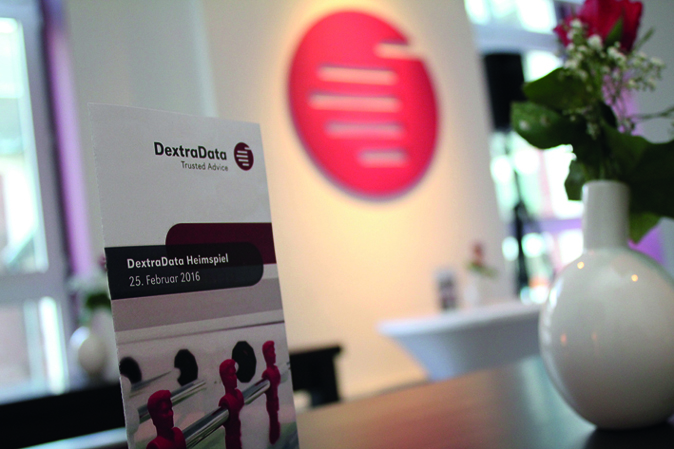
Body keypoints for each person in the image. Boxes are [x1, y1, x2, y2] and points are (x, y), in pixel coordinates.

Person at [219, 359, 244, 449]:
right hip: (232, 439)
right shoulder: (226, 401)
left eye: (235, 374)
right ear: (224, 378)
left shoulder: (238, 395)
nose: (235, 378)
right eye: (231, 375)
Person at [261, 340, 281, 444]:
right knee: (273, 421)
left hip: (275, 400)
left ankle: (275, 439)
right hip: (272, 402)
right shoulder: (267, 373)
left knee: (275, 421)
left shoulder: (275, 369)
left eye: (274, 352)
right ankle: (273, 439)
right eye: (271, 352)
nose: (274, 355)